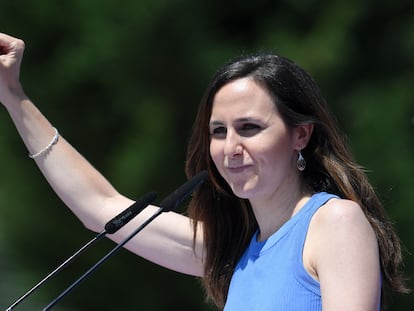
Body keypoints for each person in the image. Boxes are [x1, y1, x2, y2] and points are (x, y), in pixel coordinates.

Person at [0, 32, 409, 310]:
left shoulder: (335, 222)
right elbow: (100, 206)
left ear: (300, 135)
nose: (230, 148)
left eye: (249, 128)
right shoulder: (234, 249)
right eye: (218, 132)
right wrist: (13, 96)